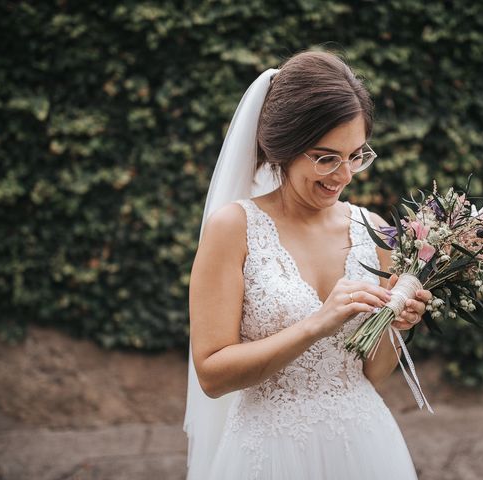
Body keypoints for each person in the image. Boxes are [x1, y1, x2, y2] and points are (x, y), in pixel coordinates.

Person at [183, 50, 432, 479]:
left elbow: (370, 374)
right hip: (268, 452)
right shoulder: (234, 228)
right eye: (325, 157)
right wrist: (316, 323)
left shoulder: (374, 231)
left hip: (364, 446)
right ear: (284, 146)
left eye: (356, 155)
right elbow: (212, 374)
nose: (344, 174)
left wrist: (396, 327)